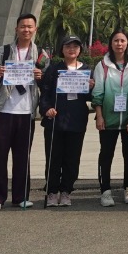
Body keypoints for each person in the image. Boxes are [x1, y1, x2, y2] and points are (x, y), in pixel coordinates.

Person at [0, 13, 45, 211]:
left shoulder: (41, 54)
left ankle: (21, 196)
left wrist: (41, 76)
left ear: (35, 29)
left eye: (30, 27)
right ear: (16, 29)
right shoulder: (3, 51)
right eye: (23, 26)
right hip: (5, 110)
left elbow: (49, 80)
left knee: (22, 157)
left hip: (26, 112)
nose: (26, 30)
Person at [37, 35, 91, 207]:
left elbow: (90, 97)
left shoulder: (86, 70)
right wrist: (46, 109)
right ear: (62, 49)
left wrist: (91, 86)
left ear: (80, 50)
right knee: (53, 158)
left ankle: (66, 190)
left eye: (75, 46)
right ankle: (52, 192)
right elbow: (45, 93)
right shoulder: (54, 69)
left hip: (76, 120)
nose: (71, 49)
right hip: (55, 121)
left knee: (72, 158)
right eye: (68, 46)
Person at [90, 29, 128, 206]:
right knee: (106, 155)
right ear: (111, 43)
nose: (119, 44)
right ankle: (105, 191)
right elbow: (98, 92)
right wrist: (99, 116)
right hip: (108, 119)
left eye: (122, 40)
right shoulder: (102, 65)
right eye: (116, 41)